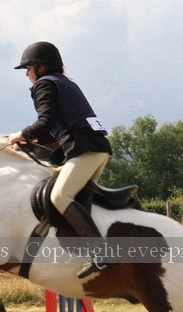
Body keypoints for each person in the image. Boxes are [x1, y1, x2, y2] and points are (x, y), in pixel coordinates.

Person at [8, 41, 113, 279]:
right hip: (97, 147)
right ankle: (80, 252)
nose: (26, 74)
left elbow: (44, 121)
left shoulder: (44, 84)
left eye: (28, 68)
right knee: (78, 201)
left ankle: (99, 253)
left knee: (59, 196)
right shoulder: (65, 83)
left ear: (41, 67)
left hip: (84, 149)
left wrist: (21, 134)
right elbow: (56, 126)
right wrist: (31, 139)